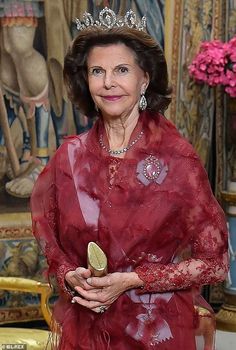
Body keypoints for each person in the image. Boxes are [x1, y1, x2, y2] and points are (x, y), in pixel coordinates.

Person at [30, 8, 228, 350]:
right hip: (85, 331)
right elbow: (55, 248)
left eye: (121, 69)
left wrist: (132, 280)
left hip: (154, 330)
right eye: (97, 71)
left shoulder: (176, 158)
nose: (108, 82)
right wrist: (69, 275)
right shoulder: (69, 157)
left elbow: (215, 264)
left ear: (145, 79)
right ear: (86, 80)